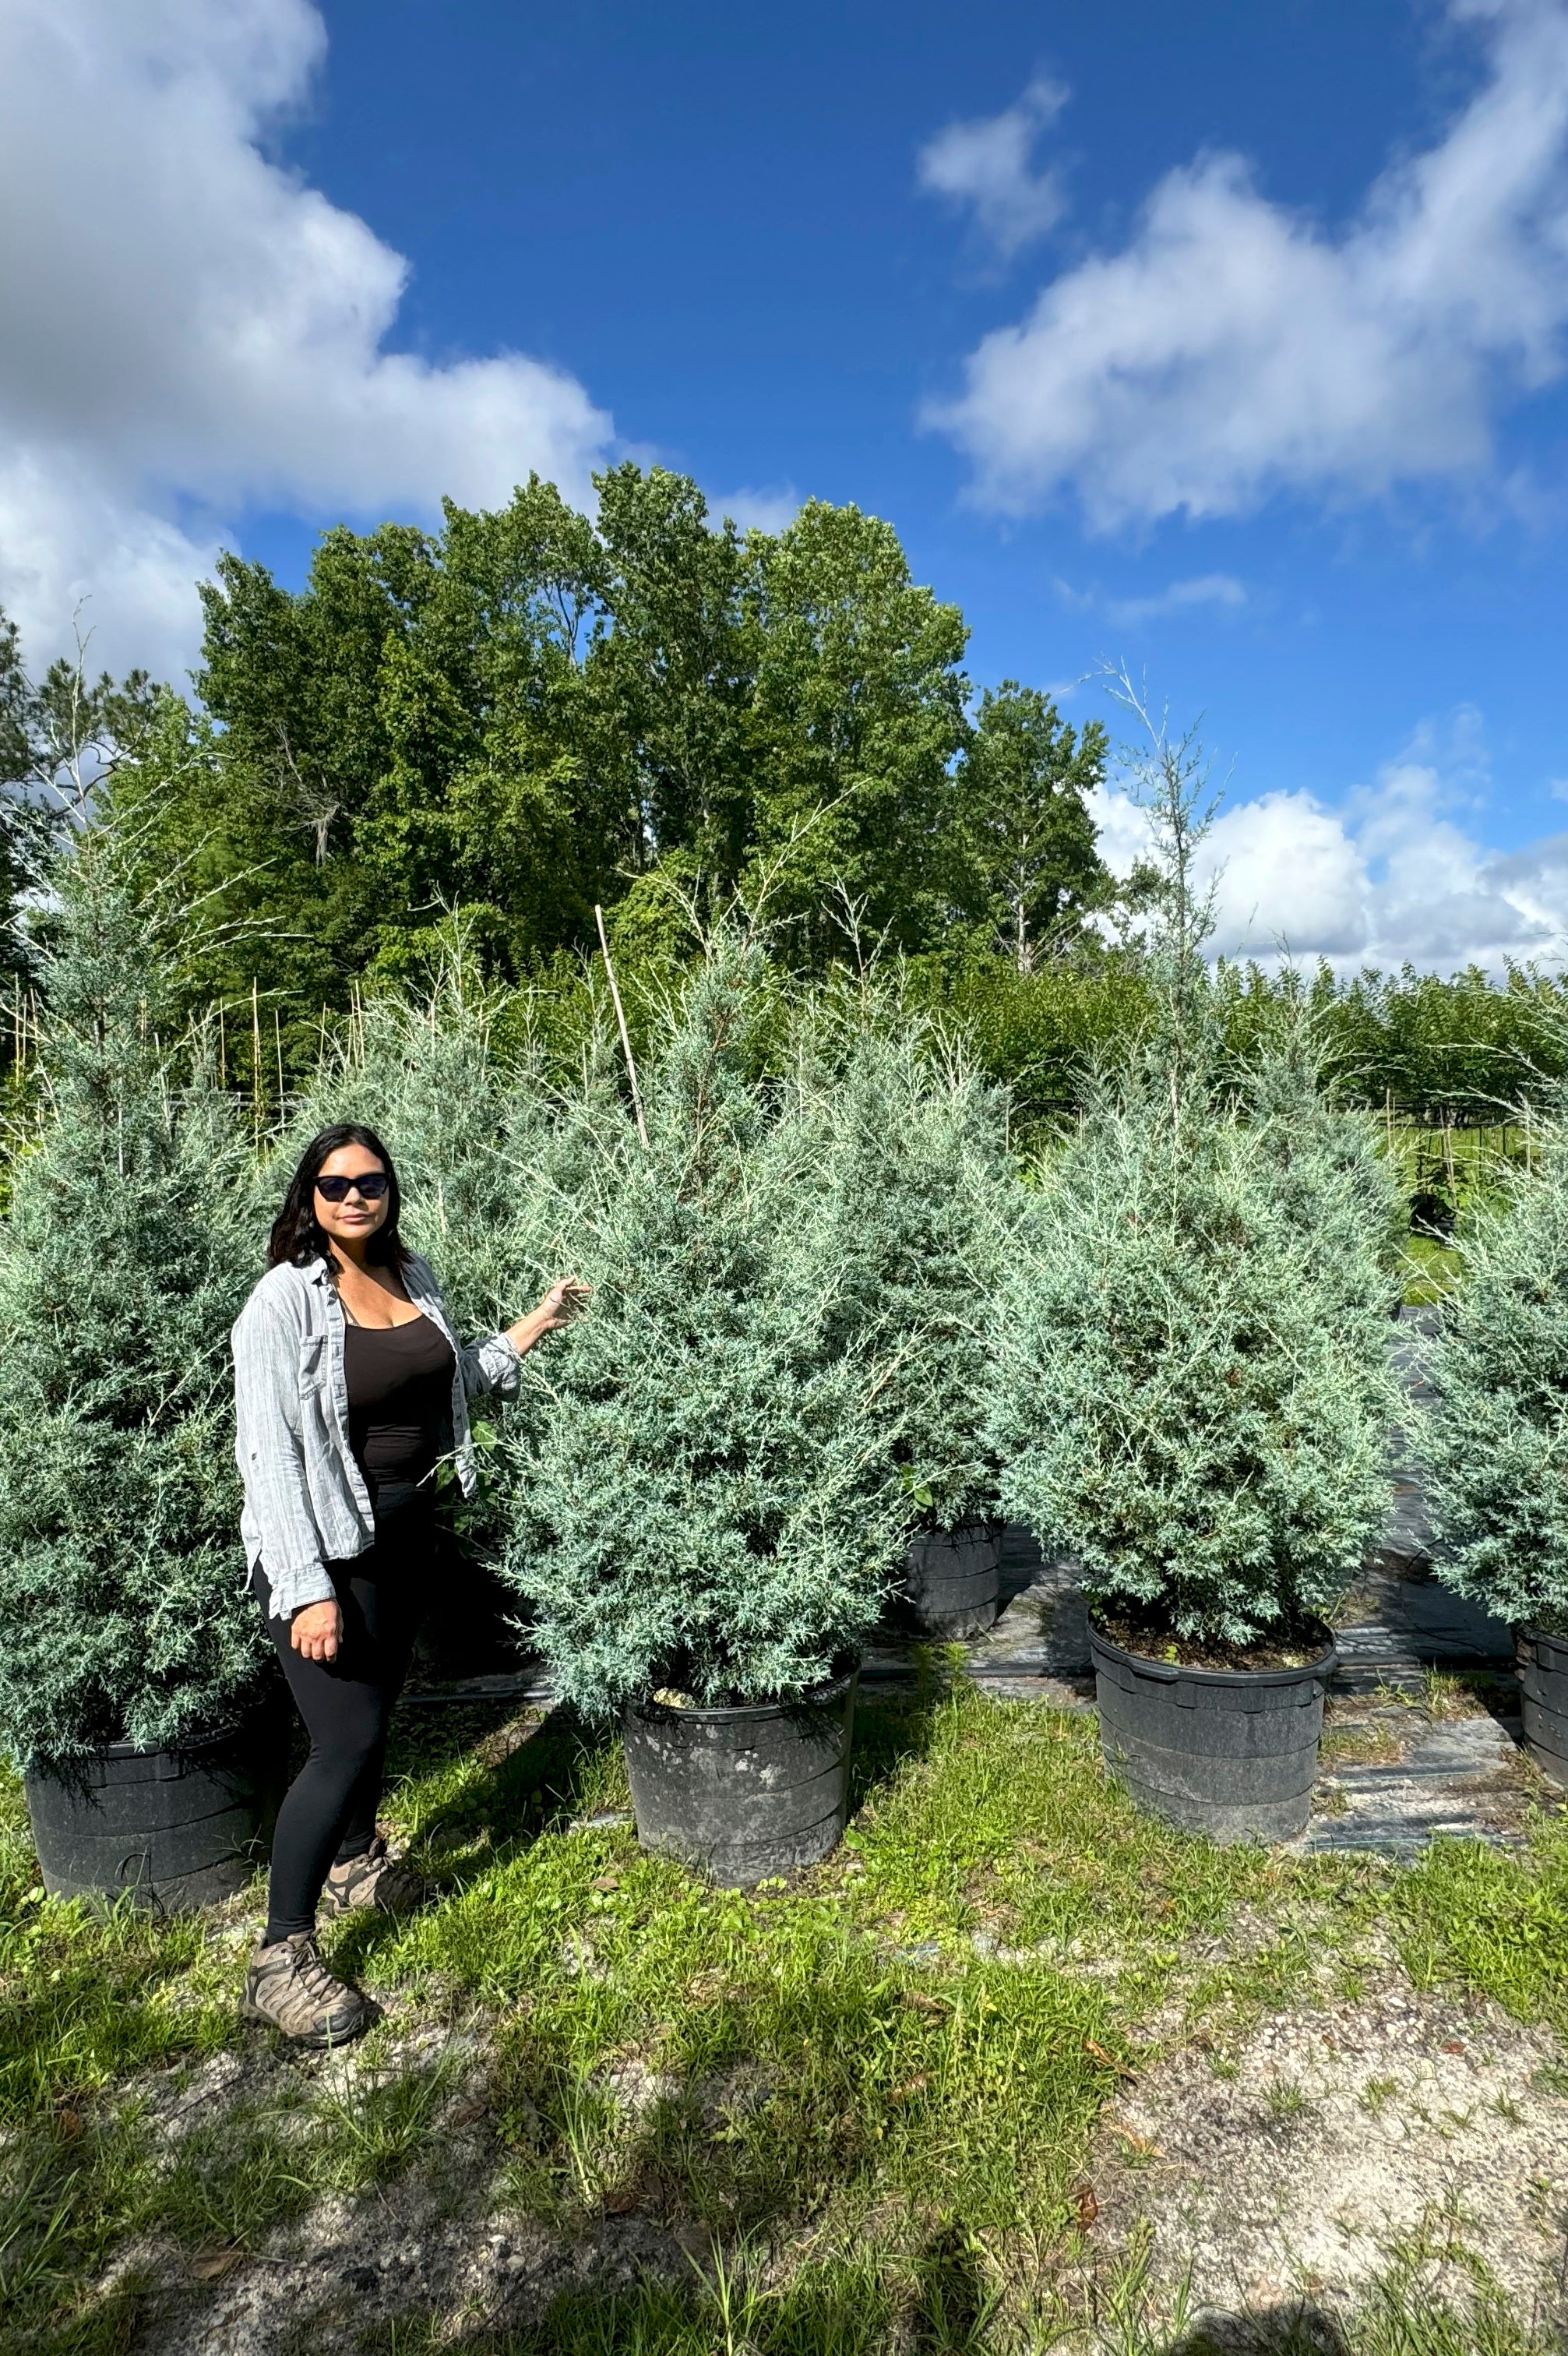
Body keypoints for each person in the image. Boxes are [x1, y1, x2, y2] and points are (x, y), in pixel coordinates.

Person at [232, 1123, 585, 2047]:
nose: (355, 1196)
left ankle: (354, 1861)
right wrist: (305, 1586)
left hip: (405, 1537)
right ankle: (279, 1956)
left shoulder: (411, 1275)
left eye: (372, 1182)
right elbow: (267, 1455)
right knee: (344, 1739)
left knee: (376, 1719)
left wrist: (535, 1324)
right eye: (335, 1183)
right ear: (308, 1196)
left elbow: (451, 1379)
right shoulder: (281, 1302)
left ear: (391, 1192)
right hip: (323, 1548)